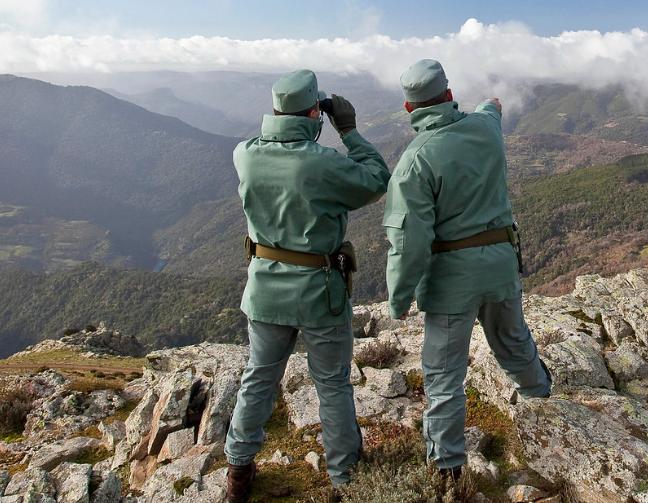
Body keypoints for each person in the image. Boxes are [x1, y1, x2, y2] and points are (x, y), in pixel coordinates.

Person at [225, 69, 390, 503]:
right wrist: (349, 130)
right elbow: (376, 179)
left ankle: (238, 471)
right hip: (320, 292)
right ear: (315, 112)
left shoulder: (245, 154)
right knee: (332, 385)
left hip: (264, 290)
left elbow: (266, 143)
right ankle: (344, 478)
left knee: (259, 378)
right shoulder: (321, 163)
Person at [383, 59, 552, 477]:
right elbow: (489, 110)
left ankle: (448, 471)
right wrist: (491, 103)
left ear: (408, 109)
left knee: (443, 376)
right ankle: (548, 413)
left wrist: (398, 298)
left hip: (450, 281)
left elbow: (409, 242)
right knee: (514, 342)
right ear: (448, 93)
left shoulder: (415, 162)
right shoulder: (485, 130)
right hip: (499, 266)